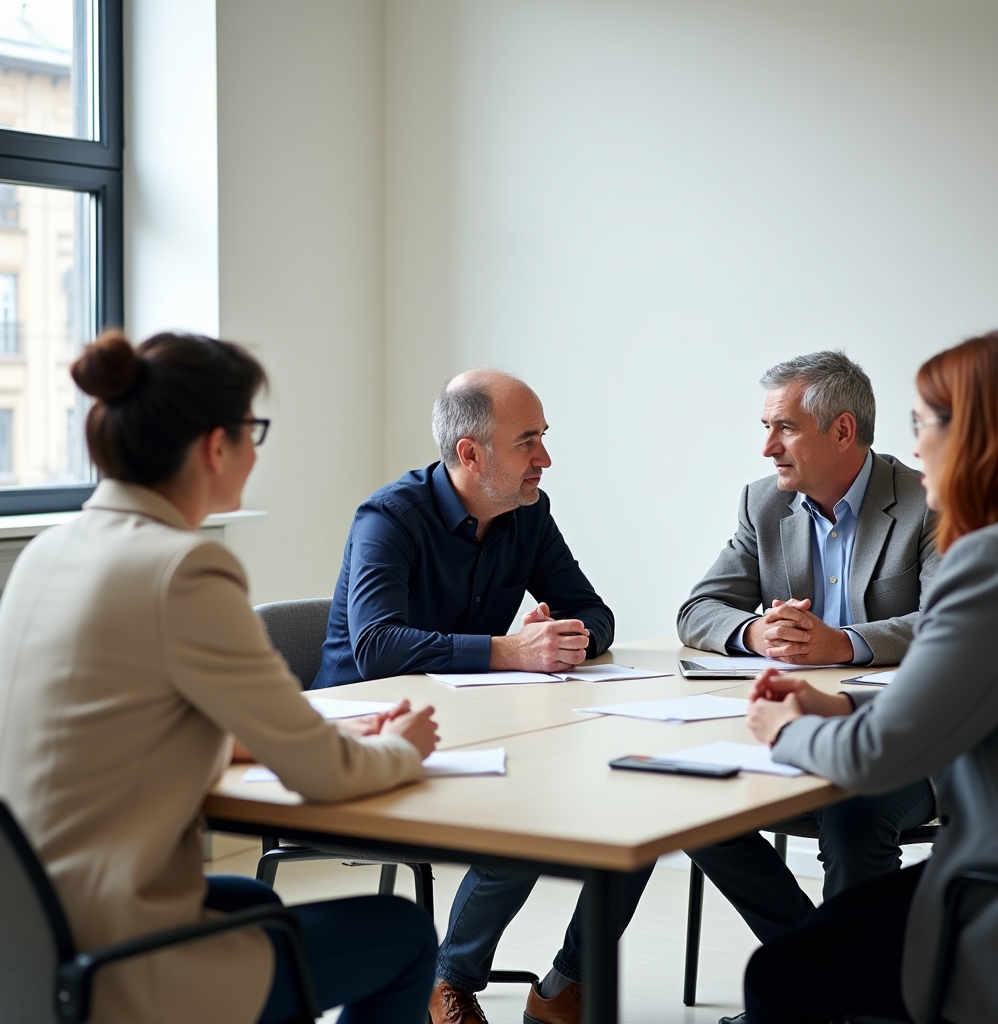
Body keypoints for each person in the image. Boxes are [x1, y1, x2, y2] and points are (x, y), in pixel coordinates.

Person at [0, 330, 440, 1024]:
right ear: (215, 446)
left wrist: (286, 739)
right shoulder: (183, 569)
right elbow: (323, 774)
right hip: (117, 959)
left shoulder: (48, 553)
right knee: (405, 934)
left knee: (257, 902)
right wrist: (400, 748)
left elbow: (119, 730)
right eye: (252, 432)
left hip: (29, 934)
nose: (256, 452)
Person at [313, 369, 649, 1024]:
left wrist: (566, 638)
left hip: (480, 724)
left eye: (543, 437)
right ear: (470, 453)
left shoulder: (529, 514)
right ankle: (449, 982)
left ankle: (566, 985)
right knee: (527, 817)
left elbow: (594, 612)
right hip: (373, 737)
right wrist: (510, 650)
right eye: (528, 442)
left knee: (640, 807)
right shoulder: (390, 517)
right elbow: (376, 647)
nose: (545, 458)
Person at [742, 329, 998, 1024]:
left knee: (782, 975)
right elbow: (971, 696)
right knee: (816, 950)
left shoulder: (991, 559)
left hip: (997, 891)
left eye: (922, 424)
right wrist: (839, 709)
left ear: (980, 434)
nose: (915, 447)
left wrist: (784, 728)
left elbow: (879, 757)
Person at [676, 351, 938, 1023]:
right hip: (795, 730)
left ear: (843, 430)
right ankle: (826, 987)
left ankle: (837, 995)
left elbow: (949, 625)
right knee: (689, 799)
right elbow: (698, 610)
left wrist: (843, 642)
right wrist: (755, 634)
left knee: (854, 814)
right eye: (766, 428)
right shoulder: (765, 504)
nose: (767, 447)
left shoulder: (927, 501)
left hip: (910, 739)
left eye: (784, 428)